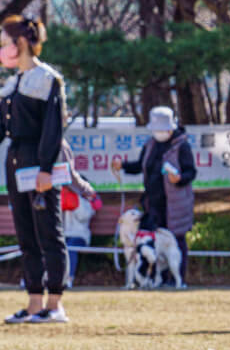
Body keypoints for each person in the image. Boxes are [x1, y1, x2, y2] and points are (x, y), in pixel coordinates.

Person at [0, 15, 70, 323]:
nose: (1, 50)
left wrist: (45, 168)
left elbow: (53, 128)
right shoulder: (11, 84)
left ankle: (54, 304)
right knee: (25, 234)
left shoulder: (47, 79)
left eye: (3, 43)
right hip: (14, 161)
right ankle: (33, 303)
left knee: (48, 233)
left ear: (22, 43)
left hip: (39, 162)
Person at [111, 106, 197, 282]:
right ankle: (158, 278)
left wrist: (179, 178)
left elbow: (191, 172)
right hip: (153, 203)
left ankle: (177, 279)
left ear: (171, 127)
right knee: (153, 242)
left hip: (175, 204)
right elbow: (139, 166)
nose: (158, 133)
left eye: (161, 129)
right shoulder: (150, 145)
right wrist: (123, 166)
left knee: (175, 240)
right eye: (155, 130)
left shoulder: (182, 146)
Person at [60, 165, 102, 287]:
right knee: (53, 246)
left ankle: (68, 279)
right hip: (63, 234)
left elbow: (84, 216)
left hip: (80, 236)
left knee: (70, 247)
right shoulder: (63, 196)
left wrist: (76, 201)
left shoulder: (86, 200)